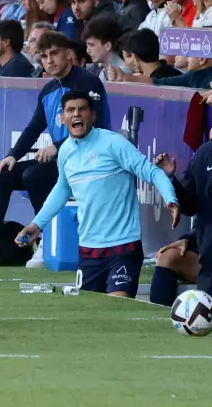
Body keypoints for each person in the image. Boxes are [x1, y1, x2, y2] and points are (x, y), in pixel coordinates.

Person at [0, 32, 111, 268]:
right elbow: (34, 127)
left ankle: (45, 242)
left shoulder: (88, 83)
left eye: (55, 53)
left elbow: (94, 128)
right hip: (63, 160)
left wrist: (57, 147)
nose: (49, 60)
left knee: (34, 175)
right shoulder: (48, 90)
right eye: (44, 56)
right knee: (2, 173)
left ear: (68, 54)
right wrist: (11, 156)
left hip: (89, 159)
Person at [16, 91, 178, 298]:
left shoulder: (113, 144)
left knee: (118, 304)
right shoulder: (65, 151)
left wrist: (171, 198)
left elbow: (152, 171)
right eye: (70, 110)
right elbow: (63, 189)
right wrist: (36, 225)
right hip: (88, 249)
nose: (77, 114)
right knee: (90, 312)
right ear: (62, 118)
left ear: (92, 115)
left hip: (123, 246)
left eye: (82, 109)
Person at [149, 145, 212, 306]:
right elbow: (191, 205)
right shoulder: (205, 154)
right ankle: (158, 322)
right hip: (209, 261)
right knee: (167, 256)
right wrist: (170, 179)